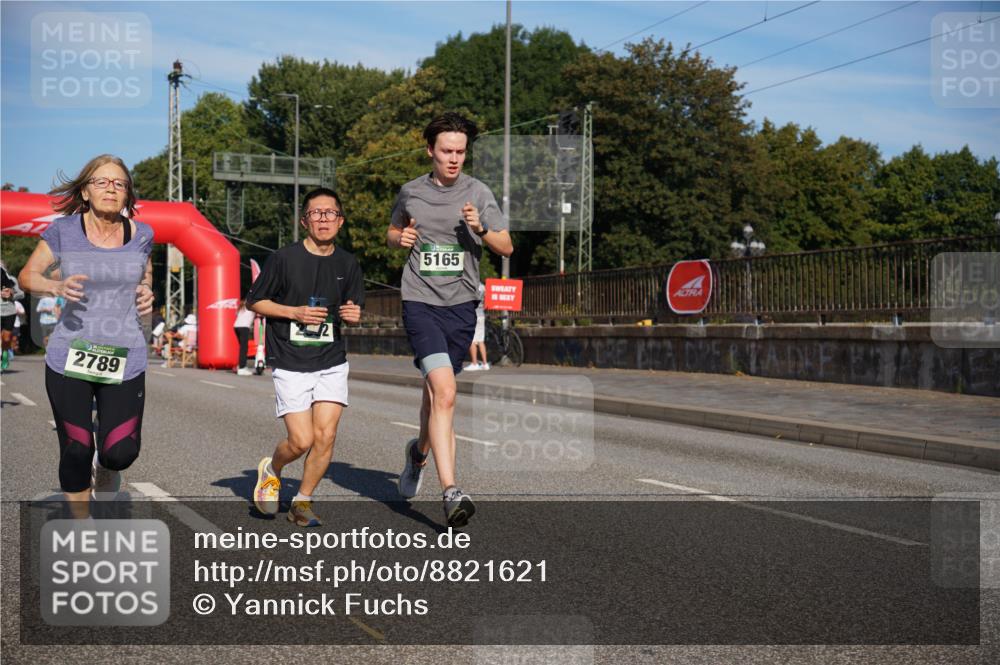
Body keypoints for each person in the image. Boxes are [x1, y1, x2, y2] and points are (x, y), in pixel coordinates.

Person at [387, 112, 513, 527]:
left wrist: (480, 228)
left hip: (461, 307)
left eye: (460, 151)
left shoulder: (478, 192)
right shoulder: (411, 192)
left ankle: (418, 454)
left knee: (435, 396)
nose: (454, 158)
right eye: (446, 151)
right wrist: (399, 238)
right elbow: (392, 232)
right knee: (445, 391)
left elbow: (506, 246)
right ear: (430, 151)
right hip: (420, 301)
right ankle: (451, 490)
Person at [18, 154, 155, 515]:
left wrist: (147, 292)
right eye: (101, 182)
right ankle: (82, 528)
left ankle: (106, 467)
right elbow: (27, 276)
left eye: (119, 183)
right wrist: (56, 285)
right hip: (70, 355)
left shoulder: (142, 234)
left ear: (128, 194)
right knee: (77, 447)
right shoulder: (63, 231)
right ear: (84, 191)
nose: (111, 188)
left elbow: (145, 276)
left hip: (125, 356)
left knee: (120, 452)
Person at [249, 187, 364, 527]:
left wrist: (354, 314)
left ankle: (302, 501)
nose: (324, 219)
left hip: (331, 360)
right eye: (316, 213)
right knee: (302, 441)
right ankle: (272, 469)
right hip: (290, 359)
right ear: (304, 220)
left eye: (330, 213)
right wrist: (293, 312)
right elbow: (254, 302)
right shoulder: (284, 259)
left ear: (340, 221)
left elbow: (352, 308)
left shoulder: (348, 262)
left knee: (326, 436)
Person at [1, 260, 25, 371]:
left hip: (9, 312)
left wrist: (11, 294)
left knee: (6, 339)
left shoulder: (12, 280)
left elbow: (21, 294)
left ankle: (5, 353)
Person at [466, 281, 489, 371]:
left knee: (472, 339)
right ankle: (485, 363)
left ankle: (474, 363)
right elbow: (486, 302)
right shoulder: (483, 287)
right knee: (480, 340)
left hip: (473, 314)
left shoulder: (470, 285)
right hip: (481, 314)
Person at [233, 300, 255, 376]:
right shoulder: (252, 305)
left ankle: (240, 366)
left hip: (236, 326)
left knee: (242, 348)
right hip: (244, 327)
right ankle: (242, 368)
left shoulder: (242, 306)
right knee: (244, 348)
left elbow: (236, 314)